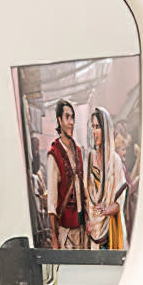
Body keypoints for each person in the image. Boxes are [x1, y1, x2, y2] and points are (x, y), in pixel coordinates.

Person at [41, 100, 89, 250]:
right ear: (59, 120)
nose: (71, 122)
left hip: (81, 228)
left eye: (73, 117)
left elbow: (84, 189)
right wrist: (54, 238)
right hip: (65, 230)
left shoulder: (79, 152)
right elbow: (52, 202)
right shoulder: (54, 155)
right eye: (67, 117)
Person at [88, 106, 129, 250]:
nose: (94, 132)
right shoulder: (90, 158)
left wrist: (105, 210)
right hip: (94, 228)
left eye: (98, 127)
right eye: (93, 127)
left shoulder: (115, 161)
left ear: (105, 129)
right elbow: (87, 194)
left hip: (112, 227)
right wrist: (90, 219)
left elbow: (120, 199)